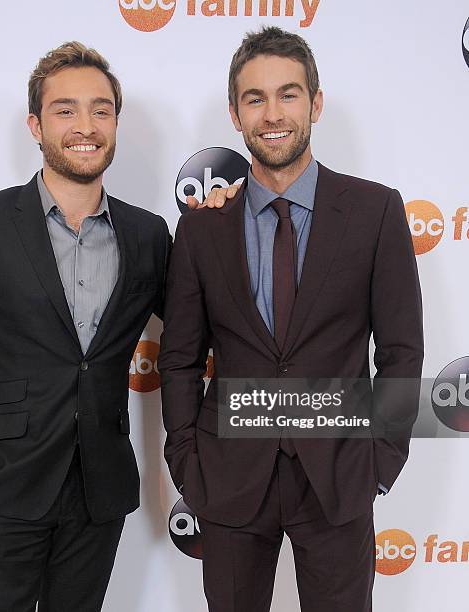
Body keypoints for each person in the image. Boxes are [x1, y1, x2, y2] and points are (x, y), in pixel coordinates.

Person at [158, 26, 423, 612]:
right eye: (255, 98)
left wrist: (381, 461)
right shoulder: (202, 226)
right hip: (227, 475)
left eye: (288, 94)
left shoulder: (375, 211)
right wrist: (185, 460)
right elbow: (179, 357)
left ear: (316, 103)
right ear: (235, 113)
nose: (272, 113)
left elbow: (402, 351)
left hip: (338, 474)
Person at [0, 41, 177, 611]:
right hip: (1, 484)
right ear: (36, 125)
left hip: (99, 488)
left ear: (115, 122)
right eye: (66, 110)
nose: (85, 126)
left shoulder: (149, 235)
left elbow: (192, 332)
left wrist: (221, 220)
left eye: (101, 109)